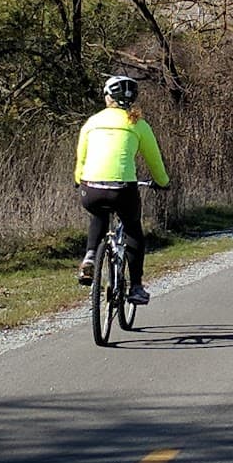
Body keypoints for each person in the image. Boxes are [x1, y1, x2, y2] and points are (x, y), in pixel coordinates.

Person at [74, 75, 171, 304]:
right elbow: (154, 161)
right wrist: (163, 182)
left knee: (99, 213)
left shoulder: (92, 122)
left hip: (91, 189)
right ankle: (136, 286)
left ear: (108, 97)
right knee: (133, 229)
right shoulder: (137, 124)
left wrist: (79, 179)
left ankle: (89, 257)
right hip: (123, 189)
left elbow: (82, 158)